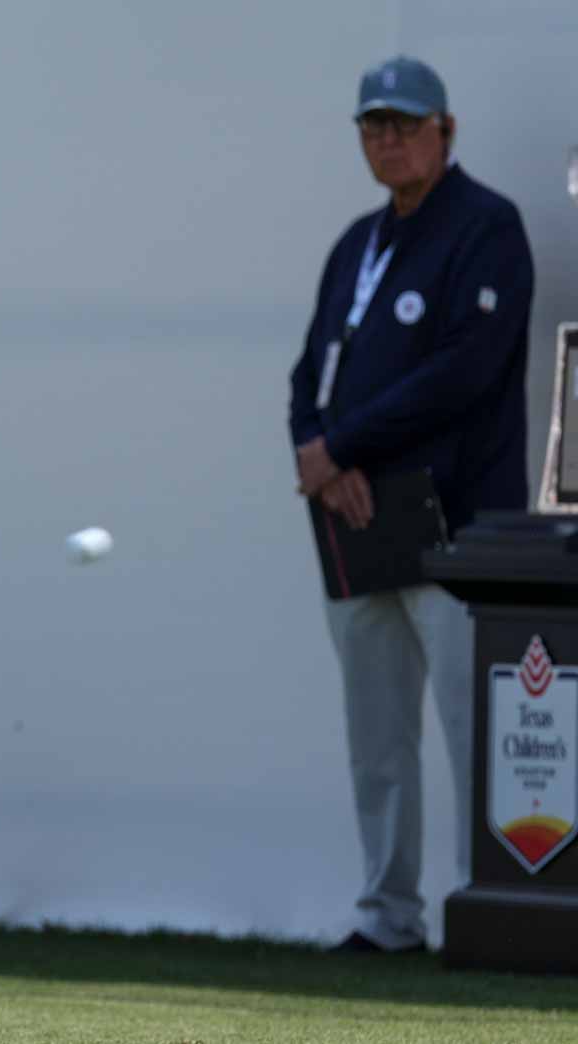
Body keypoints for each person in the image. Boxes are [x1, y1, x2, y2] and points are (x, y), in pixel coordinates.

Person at [288, 55, 532, 954]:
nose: (388, 139)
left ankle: (493, 911)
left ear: (446, 130)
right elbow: (308, 375)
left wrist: (341, 447)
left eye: (404, 123)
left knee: (477, 737)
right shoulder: (357, 243)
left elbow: (463, 374)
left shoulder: (487, 227)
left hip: (456, 530)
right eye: (372, 126)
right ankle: (389, 918)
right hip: (355, 526)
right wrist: (318, 457)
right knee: (378, 741)